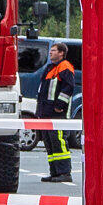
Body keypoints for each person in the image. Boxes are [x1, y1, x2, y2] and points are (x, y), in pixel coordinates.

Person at [41, 42, 79, 183]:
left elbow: (68, 87)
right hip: (47, 113)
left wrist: (59, 106)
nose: (50, 53)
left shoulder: (65, 67)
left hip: (57, 114)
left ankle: (64, 172)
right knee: (50, 143)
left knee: (59, 142)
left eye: (54, 50)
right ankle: (55, 172)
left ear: (61, 53)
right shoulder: (51, 68)